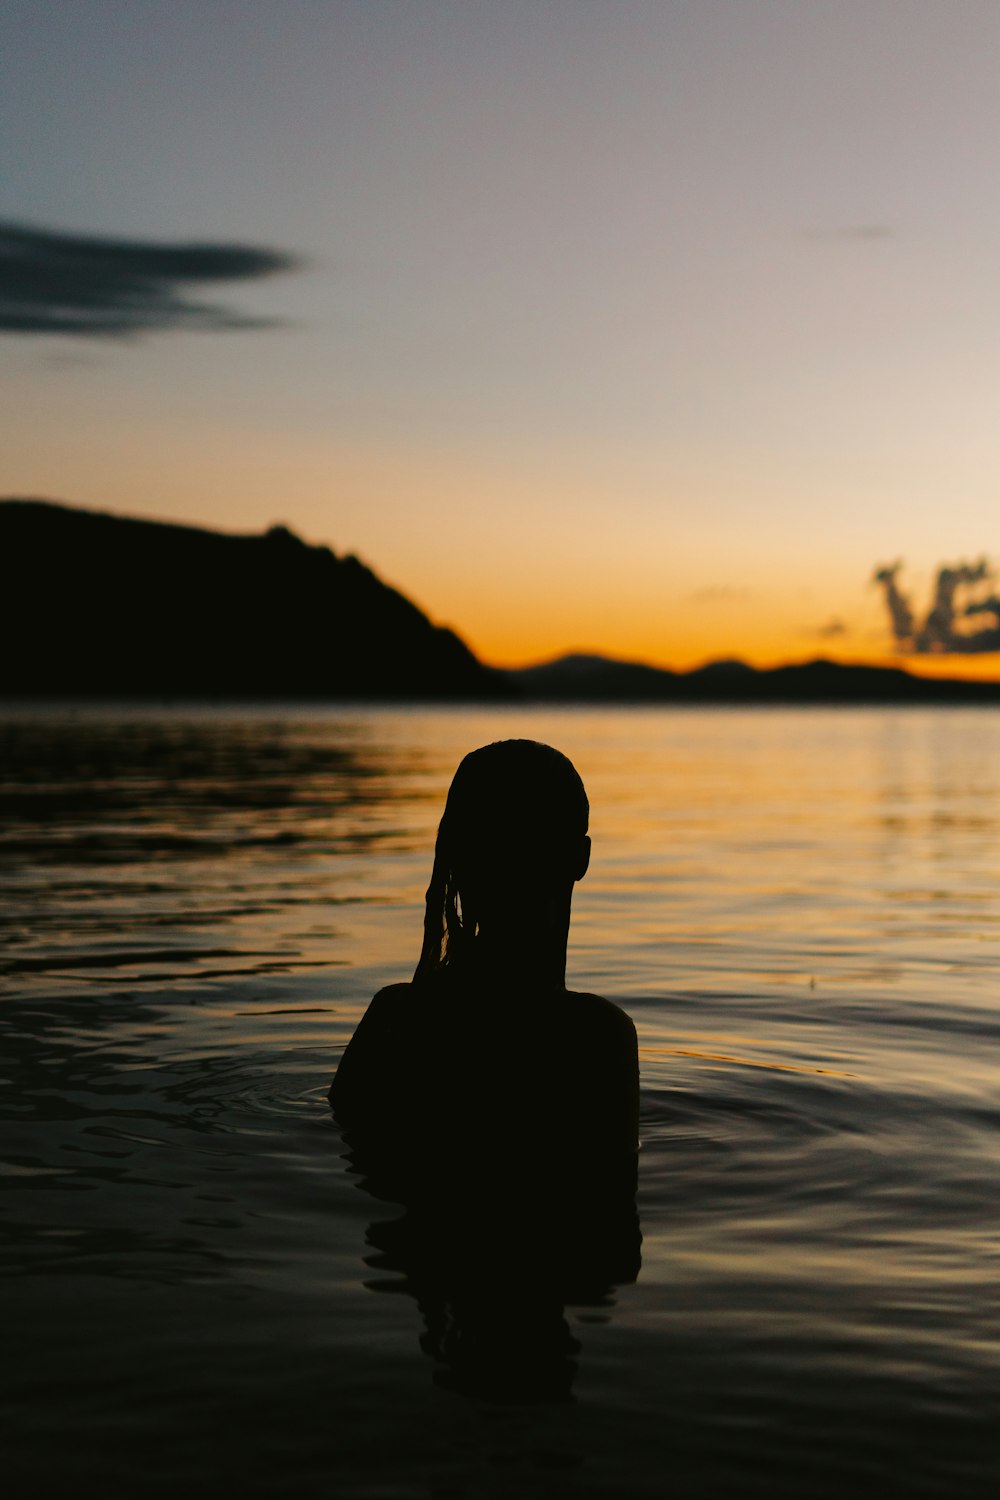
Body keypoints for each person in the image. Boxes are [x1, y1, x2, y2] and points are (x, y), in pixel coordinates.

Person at [330, 739, 639, 1190]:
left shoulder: (394, 1018)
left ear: (457, 856)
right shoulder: (597, 1039)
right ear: (580, 858)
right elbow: (611, 1210)